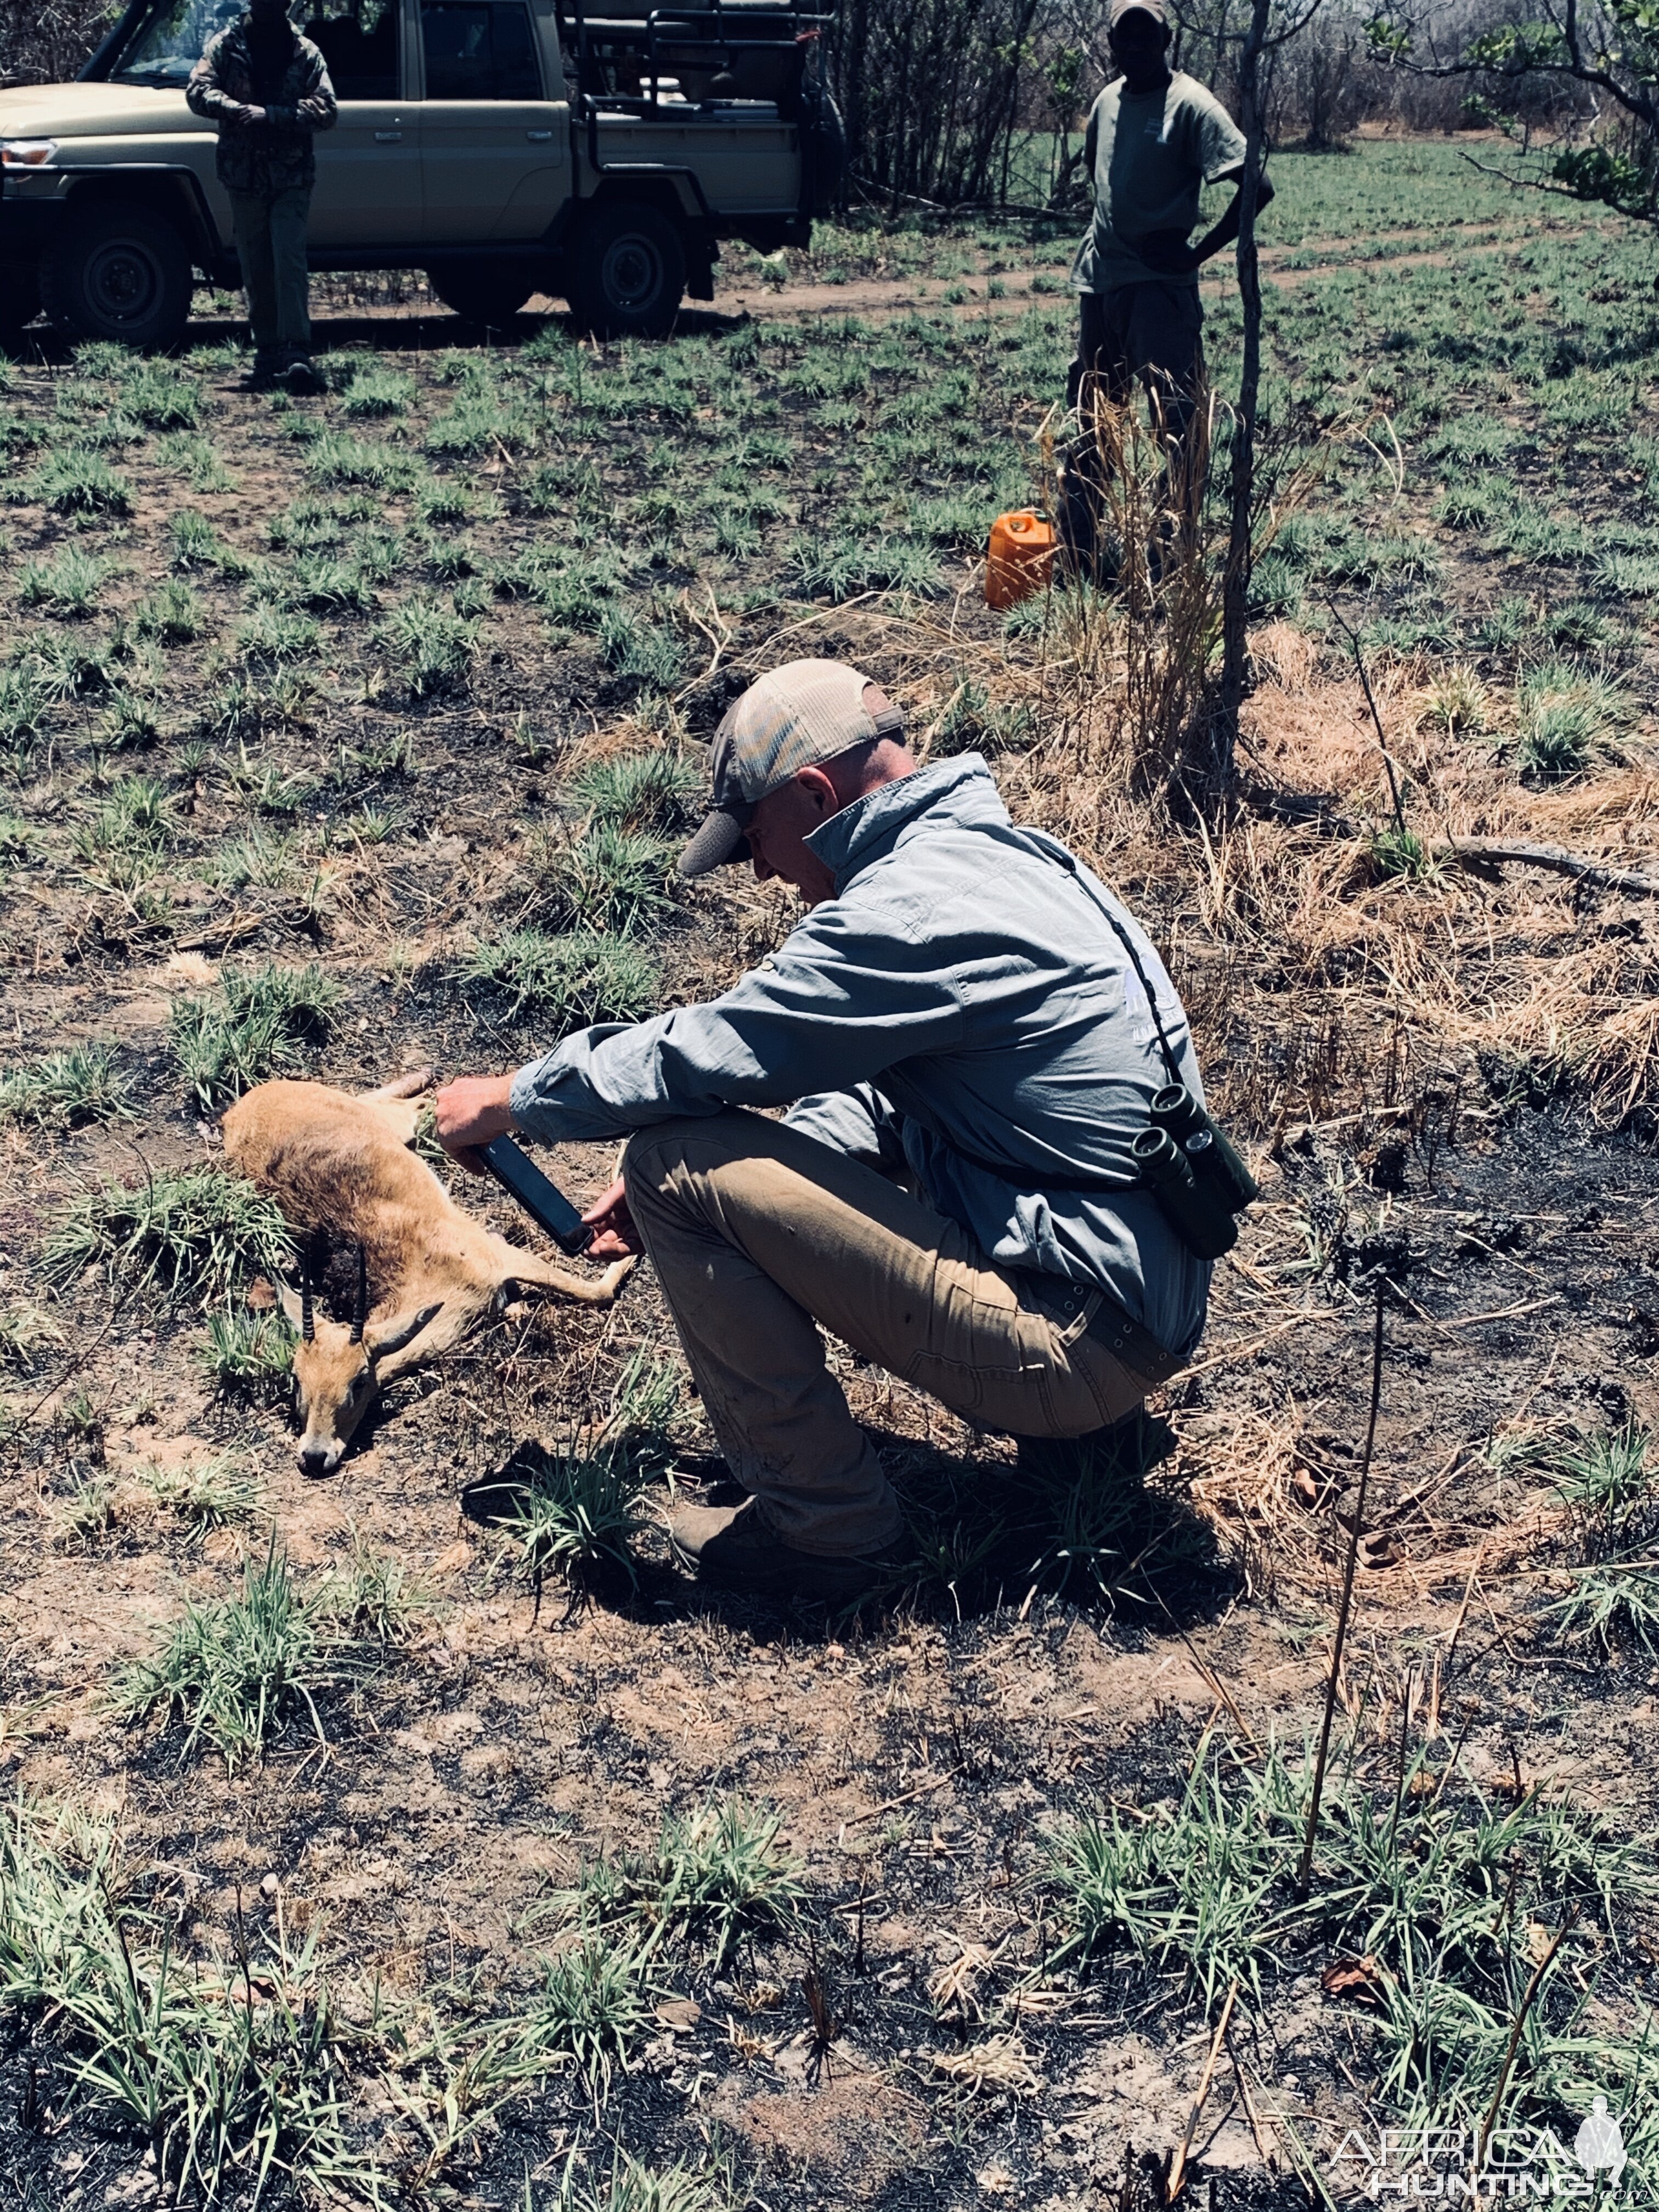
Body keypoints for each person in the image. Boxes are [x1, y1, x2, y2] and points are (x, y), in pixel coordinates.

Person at [436, 660, 1212, 1601]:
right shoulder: (1015, 858)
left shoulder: (905, 912)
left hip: (1075, 1344)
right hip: (1136, 1314)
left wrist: (514, 1097)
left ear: (812, 793)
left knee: (672, 1164)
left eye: (756, 837)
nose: (760, 869)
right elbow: (900, 1094)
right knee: (708, 1179)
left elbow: (712, 1048)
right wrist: (769, 1204)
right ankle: (1092, 1439)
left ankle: (825, 1531)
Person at [1062, 0, 1273, 568]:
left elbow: (1257, 183)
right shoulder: (1106, 102)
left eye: (1145, 36)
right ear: (1111, 43)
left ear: (1167, 39)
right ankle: (1077, 553)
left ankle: (1166, 558)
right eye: (1122, 38)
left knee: (1178, 428)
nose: (1134, 48)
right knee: (1091, 421)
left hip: (1159, 292)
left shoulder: (1193, 105)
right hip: (1099, 285)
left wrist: (1194, 254)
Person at [188, 0, 336, 395]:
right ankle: (268, 351)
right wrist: (234, 108)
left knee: (288, 259)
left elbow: (327, 108)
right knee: (256, 265)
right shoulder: (225, 46)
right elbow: (197, 90)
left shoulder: (304, 52)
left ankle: (296, 352)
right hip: (244, 174)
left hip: (290, 174)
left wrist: (272, 115)